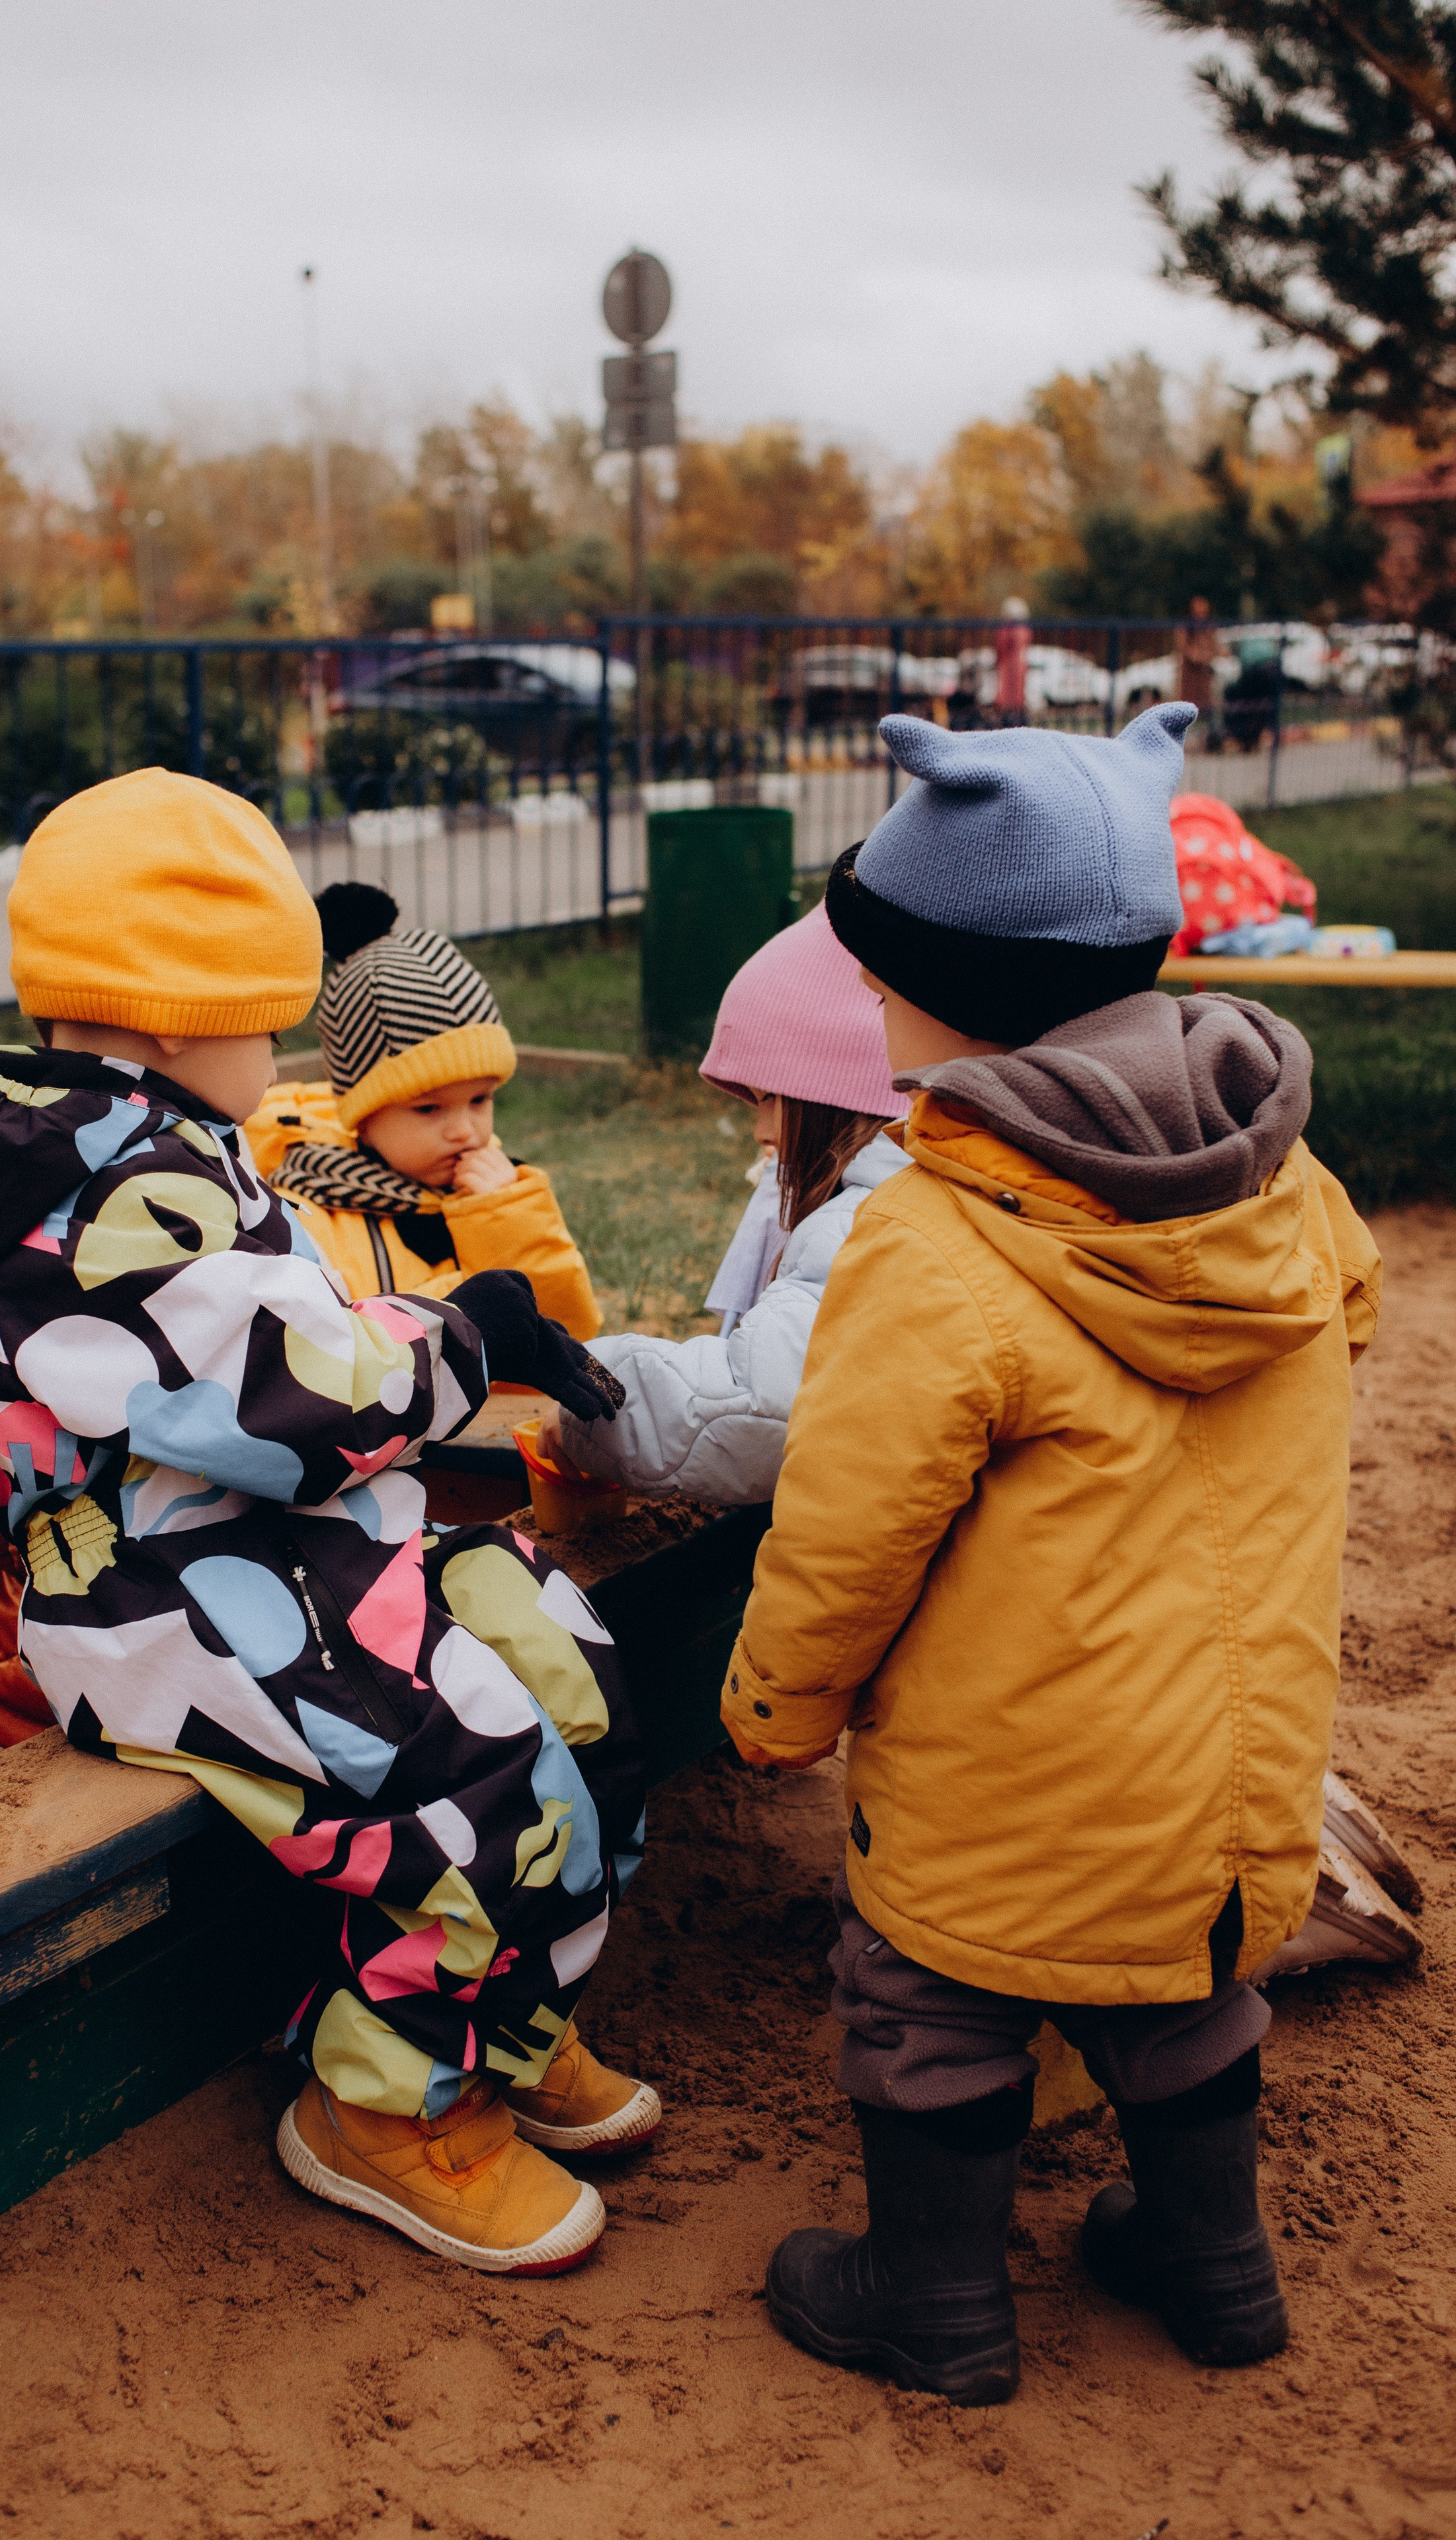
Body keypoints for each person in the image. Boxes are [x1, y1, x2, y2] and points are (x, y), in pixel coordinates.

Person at [0, 767, 655, 2278]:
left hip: (285, 1544)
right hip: (162, 1604)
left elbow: (278, 1353)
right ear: (172, 1016)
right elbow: (294, 1394)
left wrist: (434, 1333)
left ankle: (506, 2010)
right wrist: (471, 1332)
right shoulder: (101, 1198)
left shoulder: (134, 1147)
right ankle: (382, 2100)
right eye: (266, 1018)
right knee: (465, 1762)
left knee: (569, 1660)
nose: (280, 1052)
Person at [719, 706, 1381, 2403]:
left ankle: (929, 2298)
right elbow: (1348, 1311)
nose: (860, 1007)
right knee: (1182, 1984)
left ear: (949, 991)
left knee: (926, 1988)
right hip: (1231, 1775)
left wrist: (777, 1706)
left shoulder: (935, 1243)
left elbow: (846, 1530)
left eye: (876, 977)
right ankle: (1212, 2263)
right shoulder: (1281, 1186)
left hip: (1004, 1778)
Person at [537, 904, 908, 1504]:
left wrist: (589, 1404)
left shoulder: (867, 1223)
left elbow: (756, 1403)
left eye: (770, 1098)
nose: (760, 1128)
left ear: (838, 1095)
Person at [245, 883, 599, 1338]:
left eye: (480, 1099)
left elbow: (572, 1336)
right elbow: (363, 1346)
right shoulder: (315, 1210)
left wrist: (509, 1223)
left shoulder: (500, 1193)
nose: (465, 1131)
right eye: (429, 1108)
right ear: (364, 1116)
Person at [992, 596, 1031, 725]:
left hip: (1009, 667)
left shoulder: (1008, 630)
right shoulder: (1023, 629)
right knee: (1016, 698)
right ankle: (1016, 720)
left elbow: (1000, 647)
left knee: (1010, 699)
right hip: (1016, 666)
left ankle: (1010, 721)